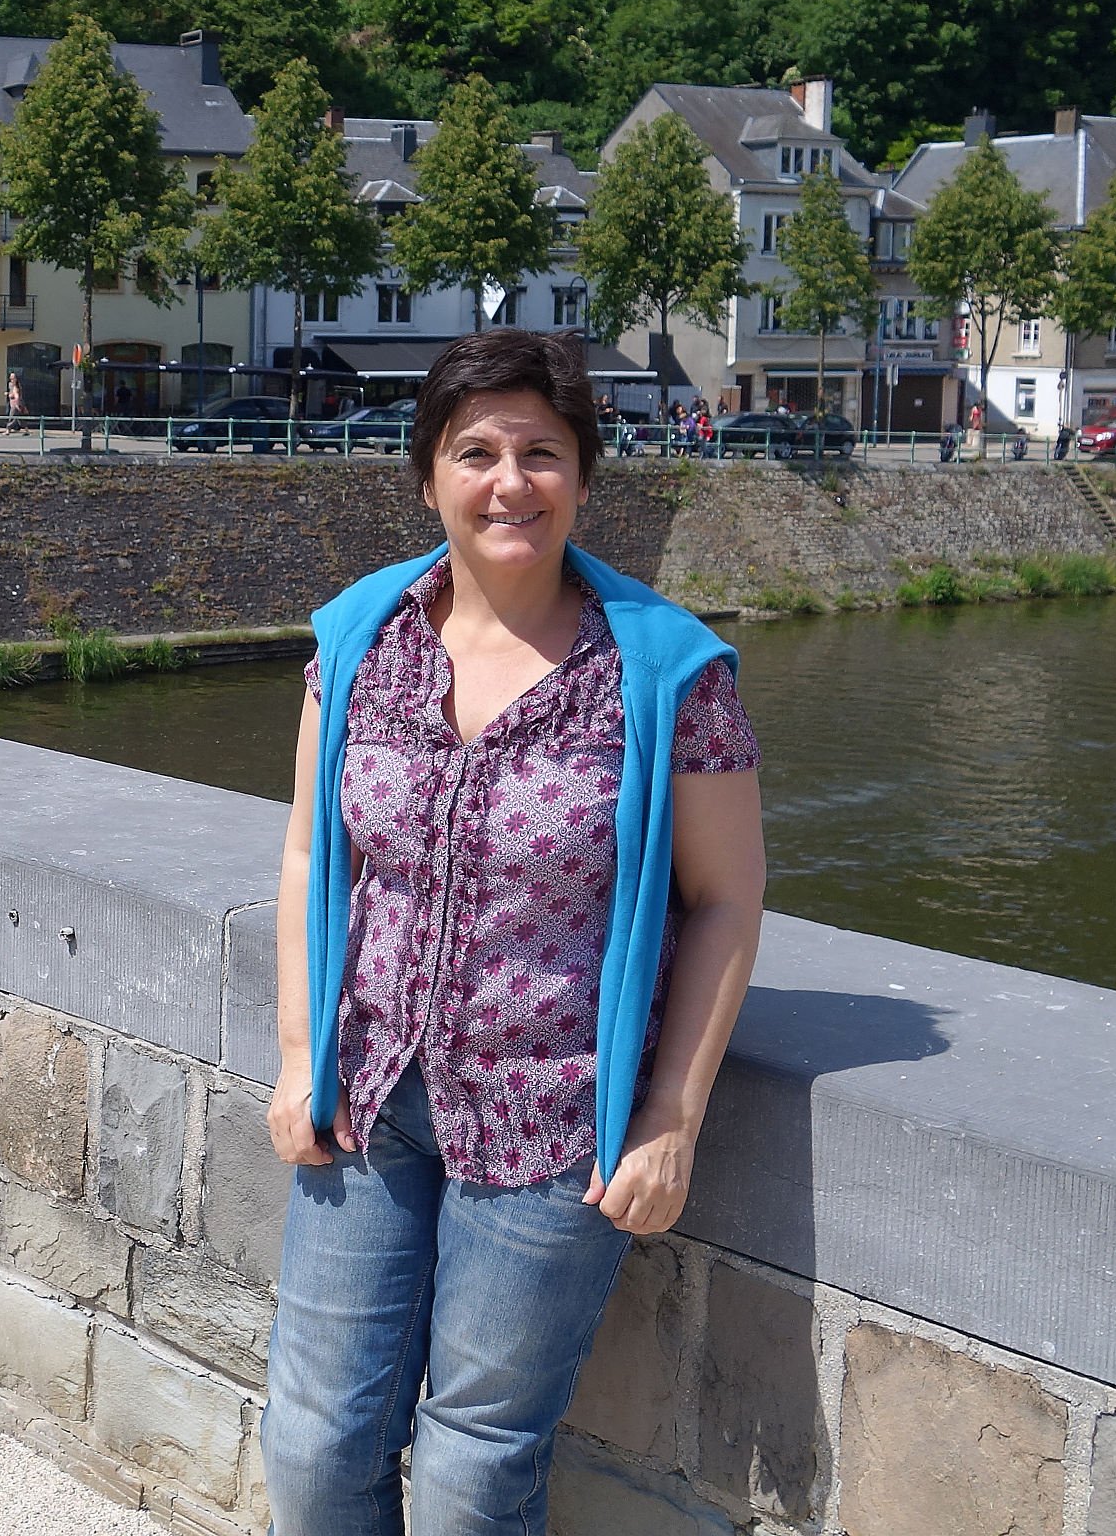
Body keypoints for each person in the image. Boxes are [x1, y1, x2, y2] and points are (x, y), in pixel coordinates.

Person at [262, 329, 767, 1534]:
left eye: (541, 452)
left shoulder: (667, 673)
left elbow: (726, 899)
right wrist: (294, 1054)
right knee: (314, 1440)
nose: (509, 481)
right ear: (428, 476)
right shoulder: (360, 640)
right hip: (369, 1092)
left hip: (554, 1115)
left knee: (472, 1470)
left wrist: (669, 1119)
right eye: (475, 450)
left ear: (583, 477)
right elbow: (309, 854)